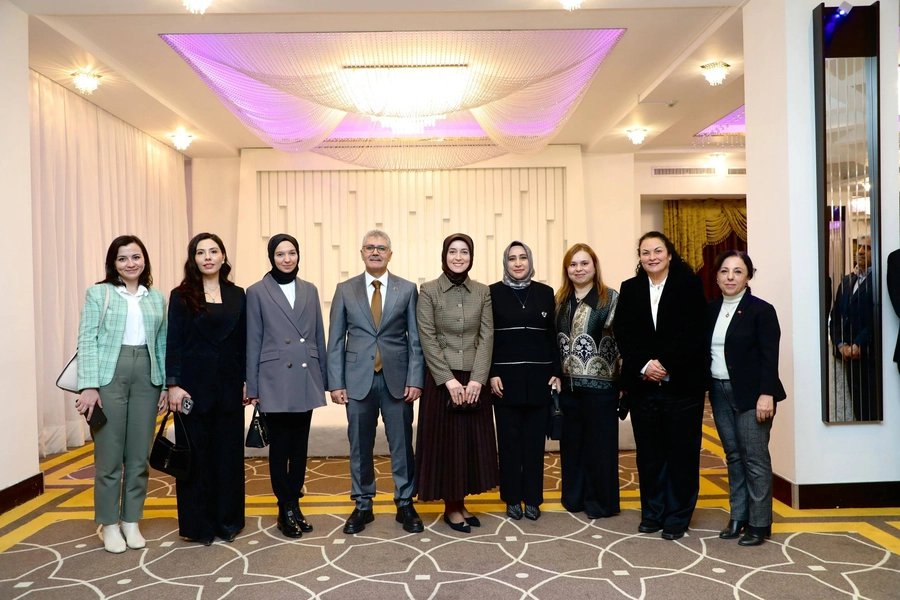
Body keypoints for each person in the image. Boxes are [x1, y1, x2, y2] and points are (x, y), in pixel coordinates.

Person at [327, 230, 426, 535]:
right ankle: (362, 504)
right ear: (361, 253)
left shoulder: (406, 289)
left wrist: (416, 379)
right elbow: (335, 340)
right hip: (357, 381)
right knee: (359, 444)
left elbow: (415, 340)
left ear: (390, 254)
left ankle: (405, 502)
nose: (375, 252)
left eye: (381, 248)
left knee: (402, 444)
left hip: (397, 380)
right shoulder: (345, 290)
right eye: (369, 247)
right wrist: (336, 383)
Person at [74, 235, 168, 554]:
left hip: (147, 377)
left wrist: (164, 386)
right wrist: (89, 385)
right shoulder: (99, 293)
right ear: (113, 263)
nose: (131, 263)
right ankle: (109, 524)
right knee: (109, 456)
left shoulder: (156, 297)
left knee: (140, 456)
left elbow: (162, 343)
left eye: (136, 257)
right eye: (123, 258)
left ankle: (131, 520)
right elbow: (87, 339)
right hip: (108, 376)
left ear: (145, 260)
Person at [613, 231, 708, 541]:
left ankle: (678, 516)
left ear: (669, 254)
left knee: (682, 452)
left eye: (657, 251)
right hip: (643, 386)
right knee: (649, 454)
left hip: (682, 384)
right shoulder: (630, 288)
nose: (651, 257)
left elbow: (694, 331)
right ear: (639, 258)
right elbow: (623, 333)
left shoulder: (689, 284)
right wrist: (645, 366)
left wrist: (664, 364)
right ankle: (653, 512)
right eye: (645, 252)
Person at [166, 233, 247, 546]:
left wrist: (247, 382)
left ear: (223, 256)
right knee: (195, 459)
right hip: (191, 389)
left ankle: (228, 522)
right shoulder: (180, 296)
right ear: (194, 259)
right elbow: (173, 342)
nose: (208, 257)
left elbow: (243, 342)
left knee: (228, 458)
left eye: (214, 251)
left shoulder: (238, 294)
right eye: (201, 252)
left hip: (229, 387)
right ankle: (198, 525)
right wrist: (173, 385)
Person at [246, 233, 327, 538]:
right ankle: (285, 507)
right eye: (280, 254)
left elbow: (318, 334)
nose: (287, 259)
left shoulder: (310, 289)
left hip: (305, 376)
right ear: (271, 257)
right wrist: (253, 387)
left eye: (291, 253)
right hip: (274, 378)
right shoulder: (257, 291)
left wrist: (325, 379)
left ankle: (295, 504)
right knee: (280, 448)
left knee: (300, 447)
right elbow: (253, 341)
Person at [415, 233, 498, 533]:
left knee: (469, 446)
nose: (459, 257)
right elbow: (427, 338)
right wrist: (448, 380)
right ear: (444, 255)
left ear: (471, 257)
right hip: (442, 382)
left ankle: (461, 503)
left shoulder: (482, 291)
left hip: (474, 379)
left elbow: (487, 336)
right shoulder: (428, 290)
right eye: (453, 251)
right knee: (447, 446)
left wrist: (478, 380)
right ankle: (451, 508)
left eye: (464, 252)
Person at [708, 250, 786, 546]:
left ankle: (760, 522)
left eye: (738, 271)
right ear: (716, 277)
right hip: (719, 391)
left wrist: (767, 394)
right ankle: (738, 516)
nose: (730, 277)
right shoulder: (710, 310)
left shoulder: (761, 310)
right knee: (733, 455)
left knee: (754, 458)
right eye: (724, 271)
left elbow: (770, 357)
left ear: (748, 276)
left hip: (753, 395)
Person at [489, 241, 560, 521]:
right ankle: (511, 498)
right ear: (505, 263)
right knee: (508, 444)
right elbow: (487, 337)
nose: (518, 263)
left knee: (534, 444)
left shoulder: (545, 293)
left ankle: (532, 498)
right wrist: (491, 372)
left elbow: (552, 335)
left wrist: (556, 371)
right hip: (504, 382)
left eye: (522, 258)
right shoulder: (492, 293)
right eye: (512, 258)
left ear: (530, 261)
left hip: (540, 381)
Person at [554, 243, 621, 520]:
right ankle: (574, 498)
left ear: (594, 266)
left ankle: (600, 503)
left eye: (584, 263)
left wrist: (624, 384)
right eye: (573, 264)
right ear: (566, 269)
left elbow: (623, 342)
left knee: (600, 448)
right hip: (568, 388)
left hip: (602, 389)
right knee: (572, 446)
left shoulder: (610, 298)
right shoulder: (559, 300)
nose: (578, 269)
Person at [830, 236, 878, 420]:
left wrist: (859, 344)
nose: (861, 252)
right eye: (860, 247)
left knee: (873, 414)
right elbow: (836, 317)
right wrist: (841, 344)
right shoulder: (847, 281)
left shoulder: (879, 280)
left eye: (867, 248)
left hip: (871, 358)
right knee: (859, 413)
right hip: (850, 359)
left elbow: (877, 317)